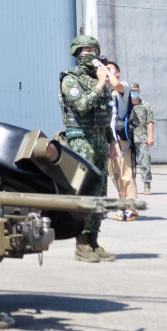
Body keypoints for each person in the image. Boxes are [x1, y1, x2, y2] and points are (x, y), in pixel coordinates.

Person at [58, 34, 117, 262]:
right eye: (85, 50)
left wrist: (111, 140)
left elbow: (105, 113)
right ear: (76, 53)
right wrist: (102, 83)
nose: (91, 53)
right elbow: (81, 106)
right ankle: (81, 244)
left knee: (100, 192)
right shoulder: (71, 79)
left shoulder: (99, 78)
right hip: (80, 139)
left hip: (100, 140)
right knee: (84, 191)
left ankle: (93, 240)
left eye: (94, 49)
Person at [102, 59, 137, 221]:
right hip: (107, 140)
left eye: (111, 69)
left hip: (120, 139)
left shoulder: (123, 86)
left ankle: (132, 208)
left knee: (125, 174)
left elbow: (117, 85)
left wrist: (106, 71)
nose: (107, 72)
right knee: (114, 174)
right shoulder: (104, 91)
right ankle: (122, 206)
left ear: (117, 72)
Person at [128, 82, 154, 195]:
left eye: (135, 91)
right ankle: (131, 186)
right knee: (128, 164)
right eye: (131, 91)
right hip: (128, 137)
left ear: (139, 91)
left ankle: (147, 184)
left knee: (145, 161)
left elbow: (150, 121)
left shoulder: (145, 105)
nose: (133, 93)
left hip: (142, 137)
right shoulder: (126, 106)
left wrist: (151, 136)